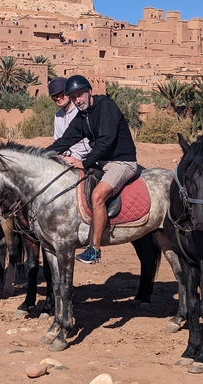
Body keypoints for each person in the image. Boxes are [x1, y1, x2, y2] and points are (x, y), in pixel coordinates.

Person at [46, 75, 137, 264]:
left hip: (121, 162)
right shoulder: (82, 117)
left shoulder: (106, 106)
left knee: (97, 196)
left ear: (89, 91)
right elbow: (65, 140)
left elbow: (105, 142)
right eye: (73, 97)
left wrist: (84, 163)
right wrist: (41, 156)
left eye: (80, 95)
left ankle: (94, 249)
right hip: (101, 162)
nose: (77, 100)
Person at [48, 77, 91, 160]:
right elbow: (58, 140)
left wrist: (74, 156)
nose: (58, 98)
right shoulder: (58, 115)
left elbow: (90, 141)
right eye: (54, 97)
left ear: (68, 93)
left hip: (85, 157)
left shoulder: (81, 110)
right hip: (65, 157)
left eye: (61, 94)